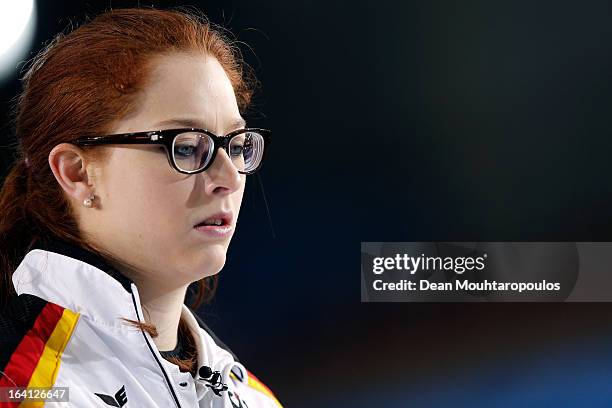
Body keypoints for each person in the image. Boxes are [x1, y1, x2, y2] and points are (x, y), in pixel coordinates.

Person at [0, 7, 280, 407]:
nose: (230, 177)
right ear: (77, 173)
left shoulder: (256, 398)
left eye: (236, 146)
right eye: (185, 146)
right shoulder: (20, 386)